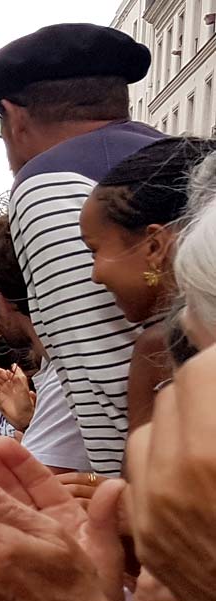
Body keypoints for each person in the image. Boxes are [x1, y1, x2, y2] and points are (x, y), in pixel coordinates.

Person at [0, 22, 159, 477]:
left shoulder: (48, 181)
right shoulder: (170, 155)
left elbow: (98, 364)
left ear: (15, 117)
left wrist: (131, 501)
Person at [81, 136, 216, 427]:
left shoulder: (158, 344)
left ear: (154, 247)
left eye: (95, 250)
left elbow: (143, 473)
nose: (95, 274)